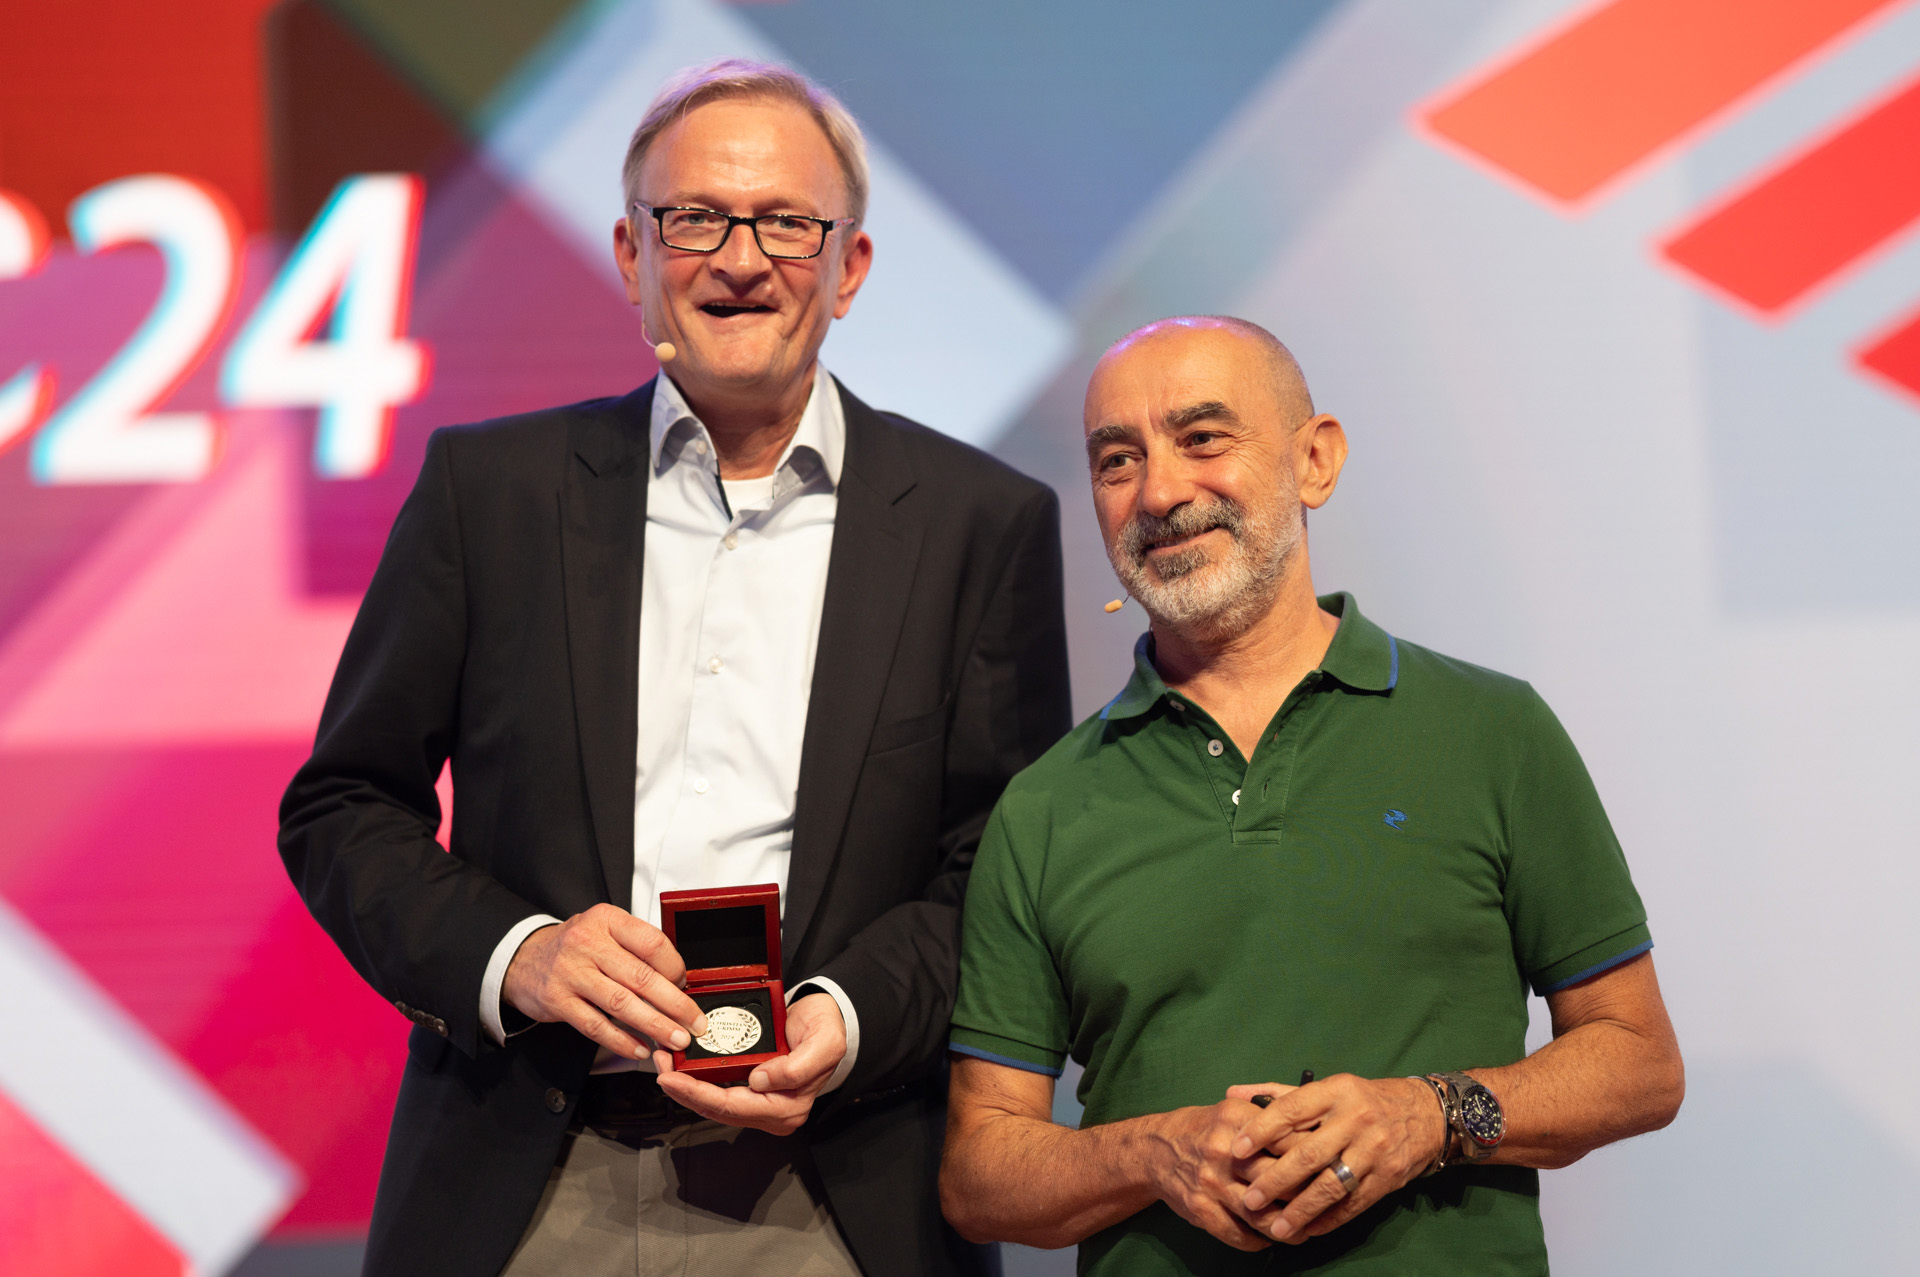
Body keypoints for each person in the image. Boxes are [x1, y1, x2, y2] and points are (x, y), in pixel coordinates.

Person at [279, 59, 1069, 1277]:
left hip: (836, 1190)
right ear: (629, 254)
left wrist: (848, 1018)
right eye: (693, 217)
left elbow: (1003, 866)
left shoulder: (981, 521)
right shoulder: (489, 493)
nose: (739, 258)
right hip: (527, 1178)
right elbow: (342, 805)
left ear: (850, 266)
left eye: (787, 224)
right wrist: (517, 952)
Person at [938, 316, 1683, 1274]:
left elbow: (1638, 1061)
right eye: (1117, 460)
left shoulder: (1494, 731)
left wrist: (1429, 1113)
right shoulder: (1045, 806)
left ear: (1315, 461)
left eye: (1203, 439)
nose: (1160, 491)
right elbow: (979, 1172)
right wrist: (1150, 1152)